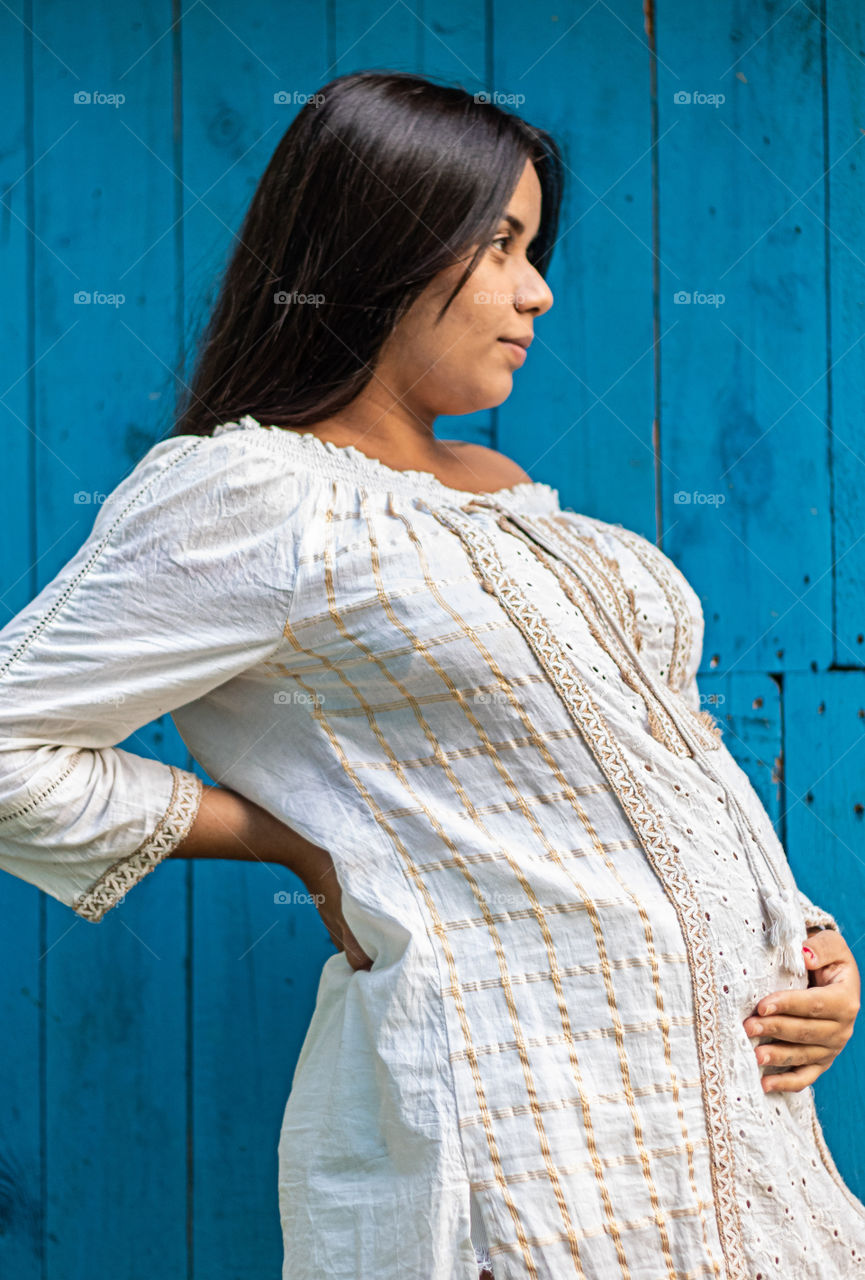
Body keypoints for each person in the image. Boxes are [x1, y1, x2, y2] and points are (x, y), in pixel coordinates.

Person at [1, 69, 863, 1280]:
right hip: (532, 1128)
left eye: (534, 247)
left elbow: (646, 760)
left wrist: (809, 945)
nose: (538, 291)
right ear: (382, 244)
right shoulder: (253, 498)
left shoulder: (522, 502)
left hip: (746, 1138)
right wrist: (295, 841)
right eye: (499, 245)